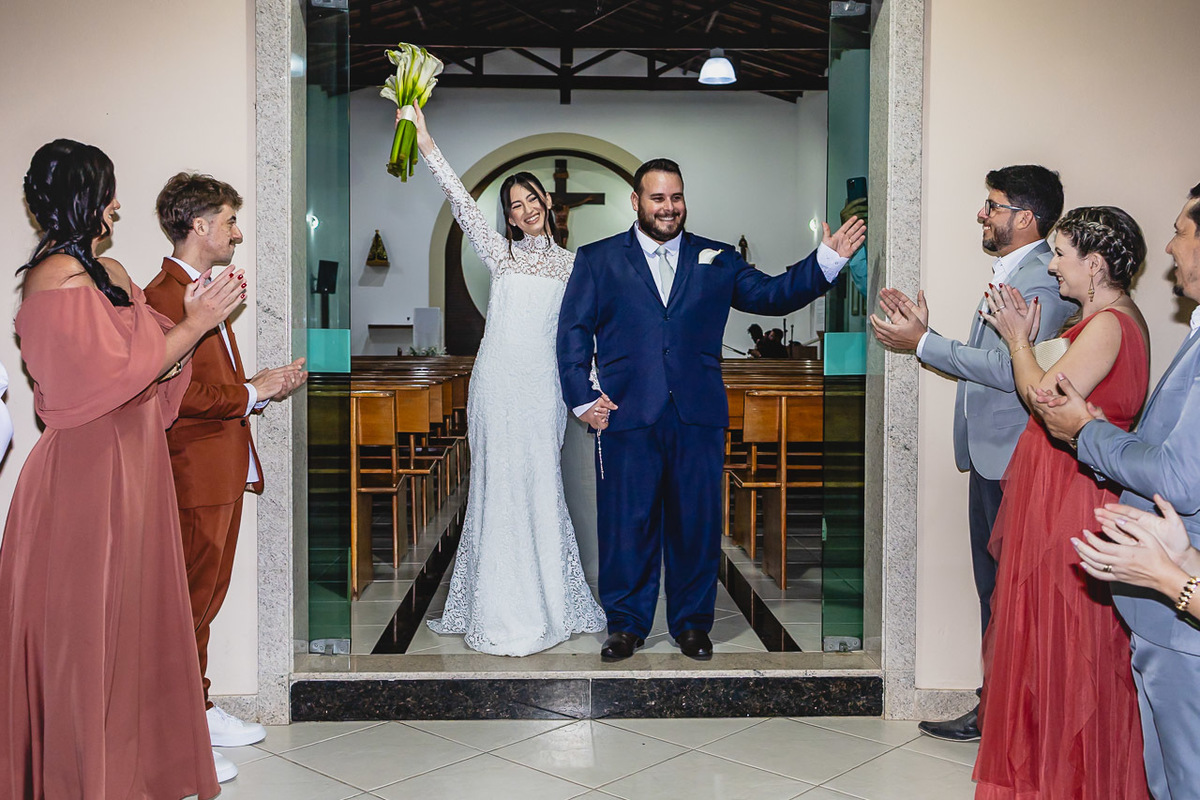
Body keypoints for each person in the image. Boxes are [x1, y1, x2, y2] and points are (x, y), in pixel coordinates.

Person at [0, 139, 244, 798]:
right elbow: (103, 382)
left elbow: (154, 366)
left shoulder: (109, 272)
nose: (115, 204)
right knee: (84, 639)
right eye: (107, 190)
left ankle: (131, 769)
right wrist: (192, 326)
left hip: (134, 466)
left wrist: (181, 336)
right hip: (85, 477)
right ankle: (81, 776)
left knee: (133, 630)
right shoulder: (53, 278)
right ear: (84, 196)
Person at [557, 157, 865, 661]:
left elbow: (771, 294)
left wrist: (824, 262)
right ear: (636, 202)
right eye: (658, 198)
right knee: (625, 524)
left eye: (676, 197)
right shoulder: (597, 259)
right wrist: (583, 399)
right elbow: (571, 334)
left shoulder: (717, 257)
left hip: (696, 413)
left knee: (695, 524)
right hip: (625, 413)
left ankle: (692, 625)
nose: (669, 207)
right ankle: (626, 625)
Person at [869, 165, 1075, 740]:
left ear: (1025, 218)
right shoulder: (1014, 271)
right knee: (994, 590)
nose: (982, 214)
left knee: (1012, 592)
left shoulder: (1040, 279)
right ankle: (999, 708)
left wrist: (924, 344)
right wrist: (925, 341)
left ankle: (1011, 715)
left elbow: (1015, 370)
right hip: (990, 454)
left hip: (1016, 457)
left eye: (992, 205)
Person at [403, 103, 606, 655]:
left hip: (541, 390)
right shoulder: (498, 254)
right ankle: (496, 604)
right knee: (497, 487)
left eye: (531, 199)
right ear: (510, 217)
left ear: (545, 202)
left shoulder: (572, 266)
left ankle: (550, 601)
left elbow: (578, 336)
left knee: (540, 485)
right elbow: (458, 200)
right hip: (495, 387)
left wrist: (589, 391)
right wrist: (425, 140)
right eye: (514, 205)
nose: (525, 209)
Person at [971, 207, 1151, 799]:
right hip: (1061, 486)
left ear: (1094, 264)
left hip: (1073, 494)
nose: (1053, 266)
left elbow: (1045, 401)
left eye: (1062, 255)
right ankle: (1051, 772)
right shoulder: (1099, 318)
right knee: (1047, 638)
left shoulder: (1109, 324)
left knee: (1070, 641)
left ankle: (1072, 779)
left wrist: (1018, 341)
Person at [1034, 184, 1200, 799]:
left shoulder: (1112, 322)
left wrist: (1086, 431)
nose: (1170, 245)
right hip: (1167, 570)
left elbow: (1181, 477)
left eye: (1184, 230)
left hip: (1178, 583)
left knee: (1184, 772)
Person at [144, 172, 307, 772]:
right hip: (192, 469)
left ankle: (199, 706)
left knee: (204, 600)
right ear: (200, 225)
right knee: (188, 601)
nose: (238, 232)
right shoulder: (163, 295)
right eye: (231, 220)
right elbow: (176, 393)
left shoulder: (203, 288)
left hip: (218, 464)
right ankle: (177, 728)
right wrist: (250, 391)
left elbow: (211, 380)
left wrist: (262, 387)